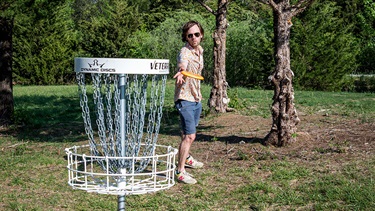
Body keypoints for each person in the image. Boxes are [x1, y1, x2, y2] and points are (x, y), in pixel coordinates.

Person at [173, 20, 205, 184]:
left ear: (201, 35)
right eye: (190, 35)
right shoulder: (184, 52)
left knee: (187, 133)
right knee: (190, 136)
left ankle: (186, 158)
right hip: (185, 98)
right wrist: (181, 72)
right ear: (186, 37)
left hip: (196, 97)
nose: (193, 38)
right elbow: (182, 65)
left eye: (196, 34)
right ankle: (180, 171)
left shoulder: (199, 50)